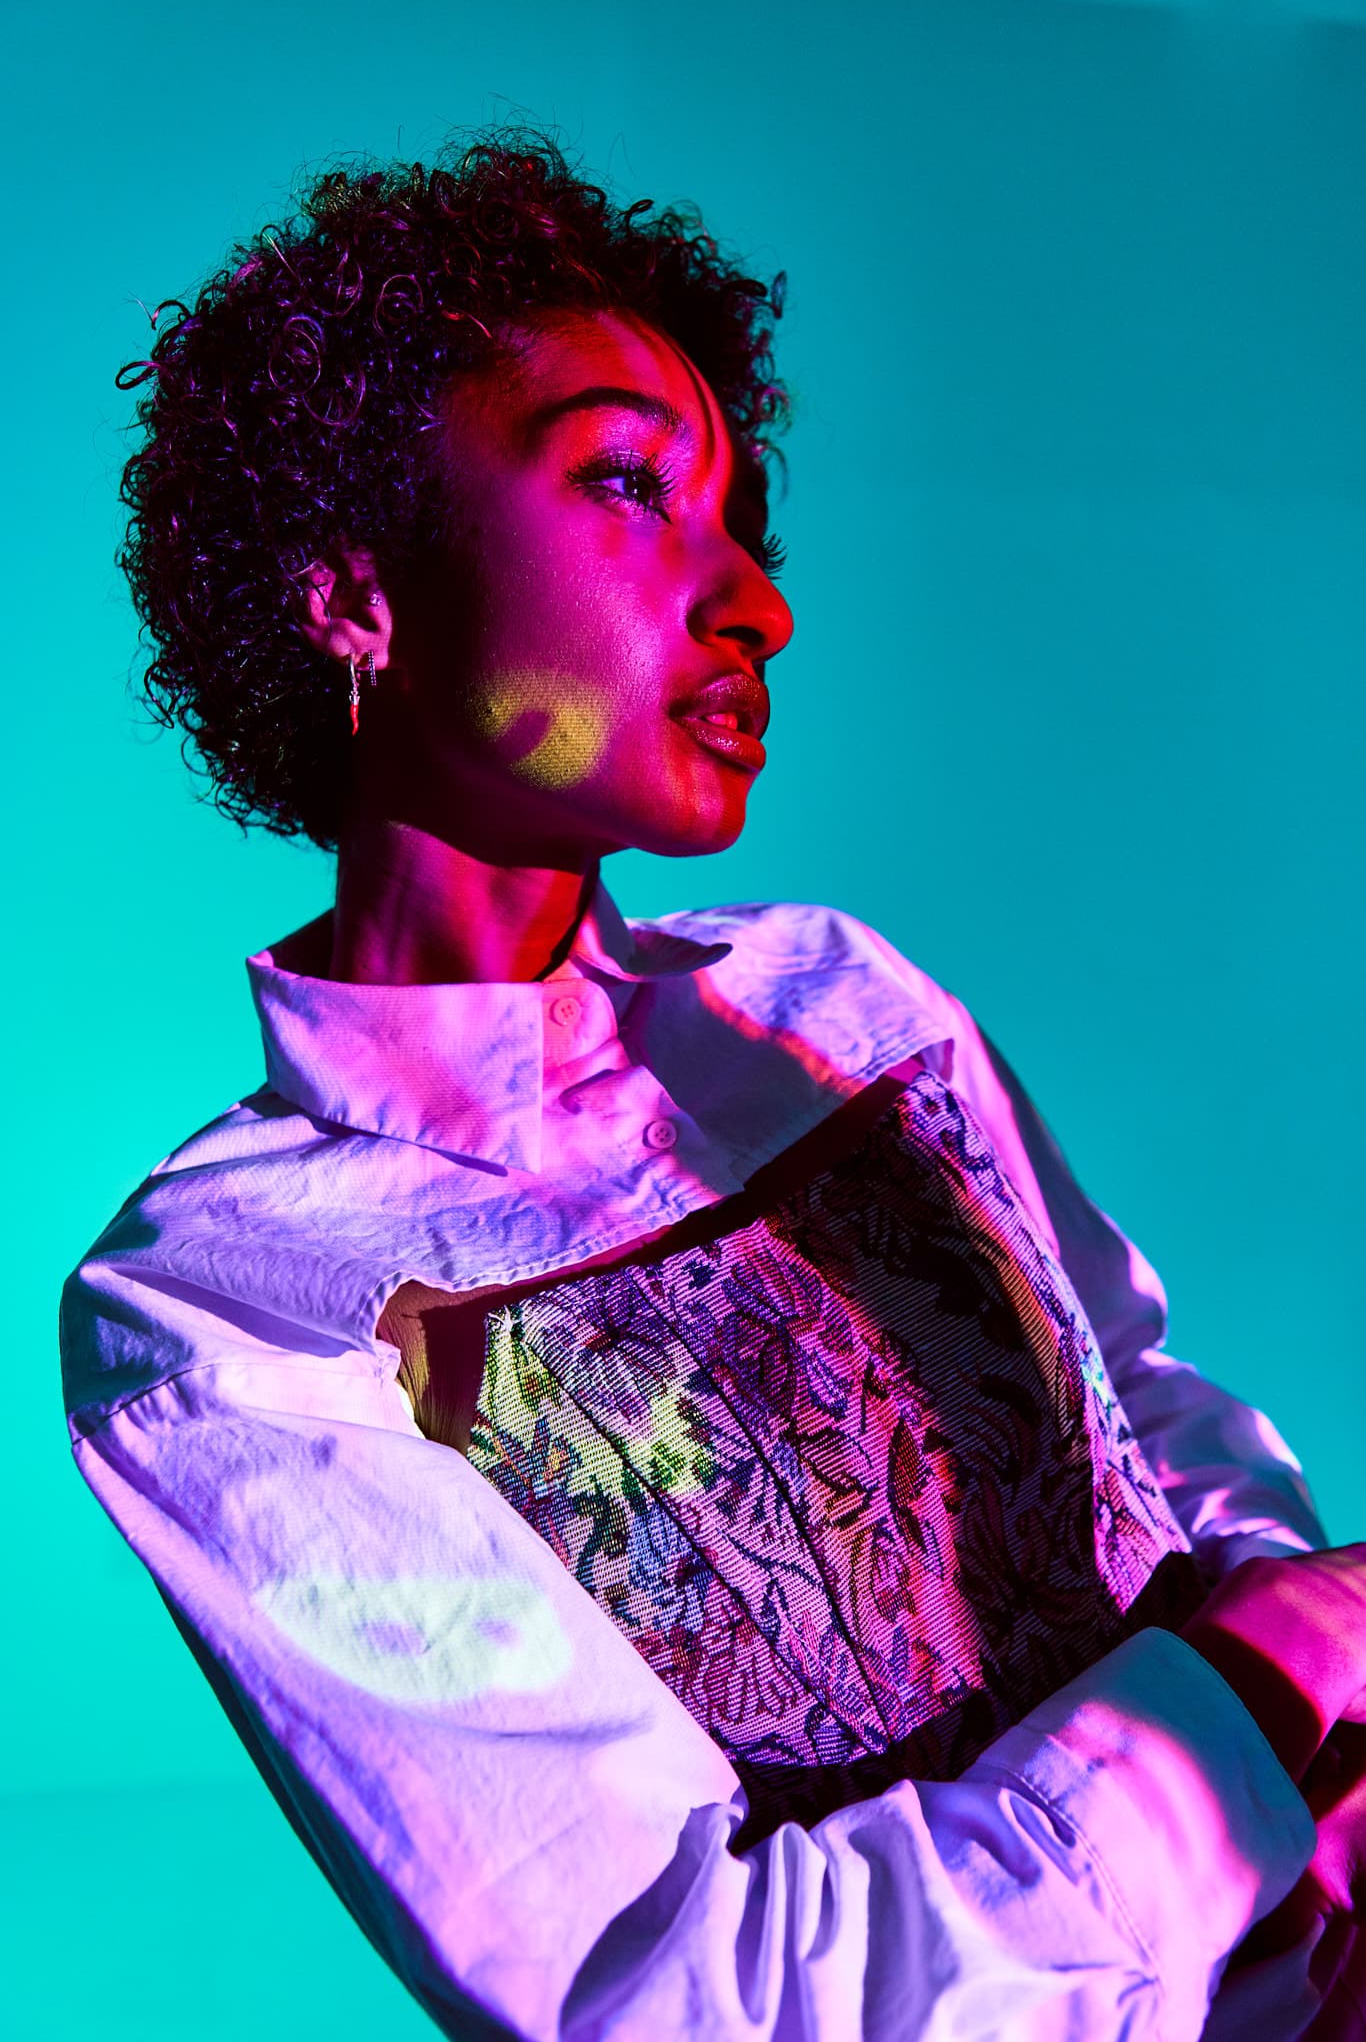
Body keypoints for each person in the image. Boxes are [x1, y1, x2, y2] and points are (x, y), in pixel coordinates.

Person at [62, 131, 1366, 2039]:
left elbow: (1141, 1423)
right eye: (621, 486)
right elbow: (692, 1999)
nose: (748, 598)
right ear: (355, 597)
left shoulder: (837, 996)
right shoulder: (230, 1308)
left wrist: (1326, 1738)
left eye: (743, 515)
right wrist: (1257, 1688)